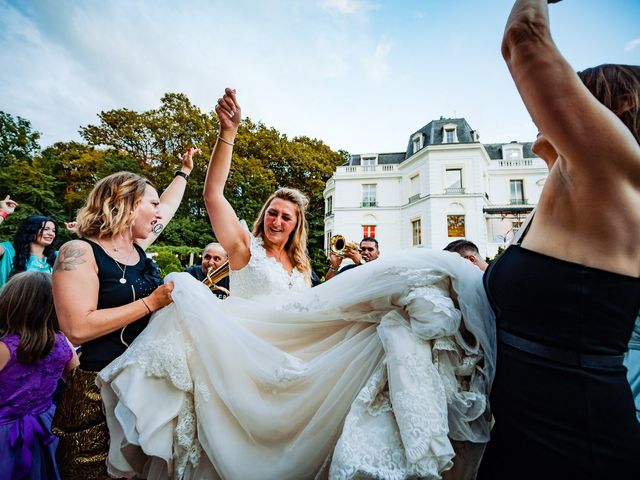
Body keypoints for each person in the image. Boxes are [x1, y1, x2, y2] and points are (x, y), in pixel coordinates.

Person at [97, 88, 495, 480]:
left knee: (388, 323)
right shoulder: (243, 249)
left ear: (296, 225)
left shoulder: (303, 266)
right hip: (244, 359)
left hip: (296, 362)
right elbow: (213, 193)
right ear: (263, 215)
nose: (277, 221)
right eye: (273, 212)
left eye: (287, 217)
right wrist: (228, 134)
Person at [477, 1, 640, 478]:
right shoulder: (569, 199)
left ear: (619, 109)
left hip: (576, 442)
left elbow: (524, 37)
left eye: (583, 95)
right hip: (518, 432)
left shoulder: (618, 171)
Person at [51, 148, 197, 479]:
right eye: (152, 204)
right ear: (128, 204)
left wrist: (184, 172)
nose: (159, 213)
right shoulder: (79, 251)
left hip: (144, 386)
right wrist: (151, 303)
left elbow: (168, 208)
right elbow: (76, 327)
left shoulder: (138, 250)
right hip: (97, 392)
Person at [0, 271, 79, 479]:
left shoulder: (3, 347)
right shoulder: (63, 343)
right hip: (45, 424)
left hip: (4, 433)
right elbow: (77, 382)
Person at [0, 214, 58, 288]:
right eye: (46, 229)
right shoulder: (9, 251)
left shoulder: (57, 257)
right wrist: (2, 213)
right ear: (31, 230)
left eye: (54, 231)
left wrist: (77, 230)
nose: (51, 234)